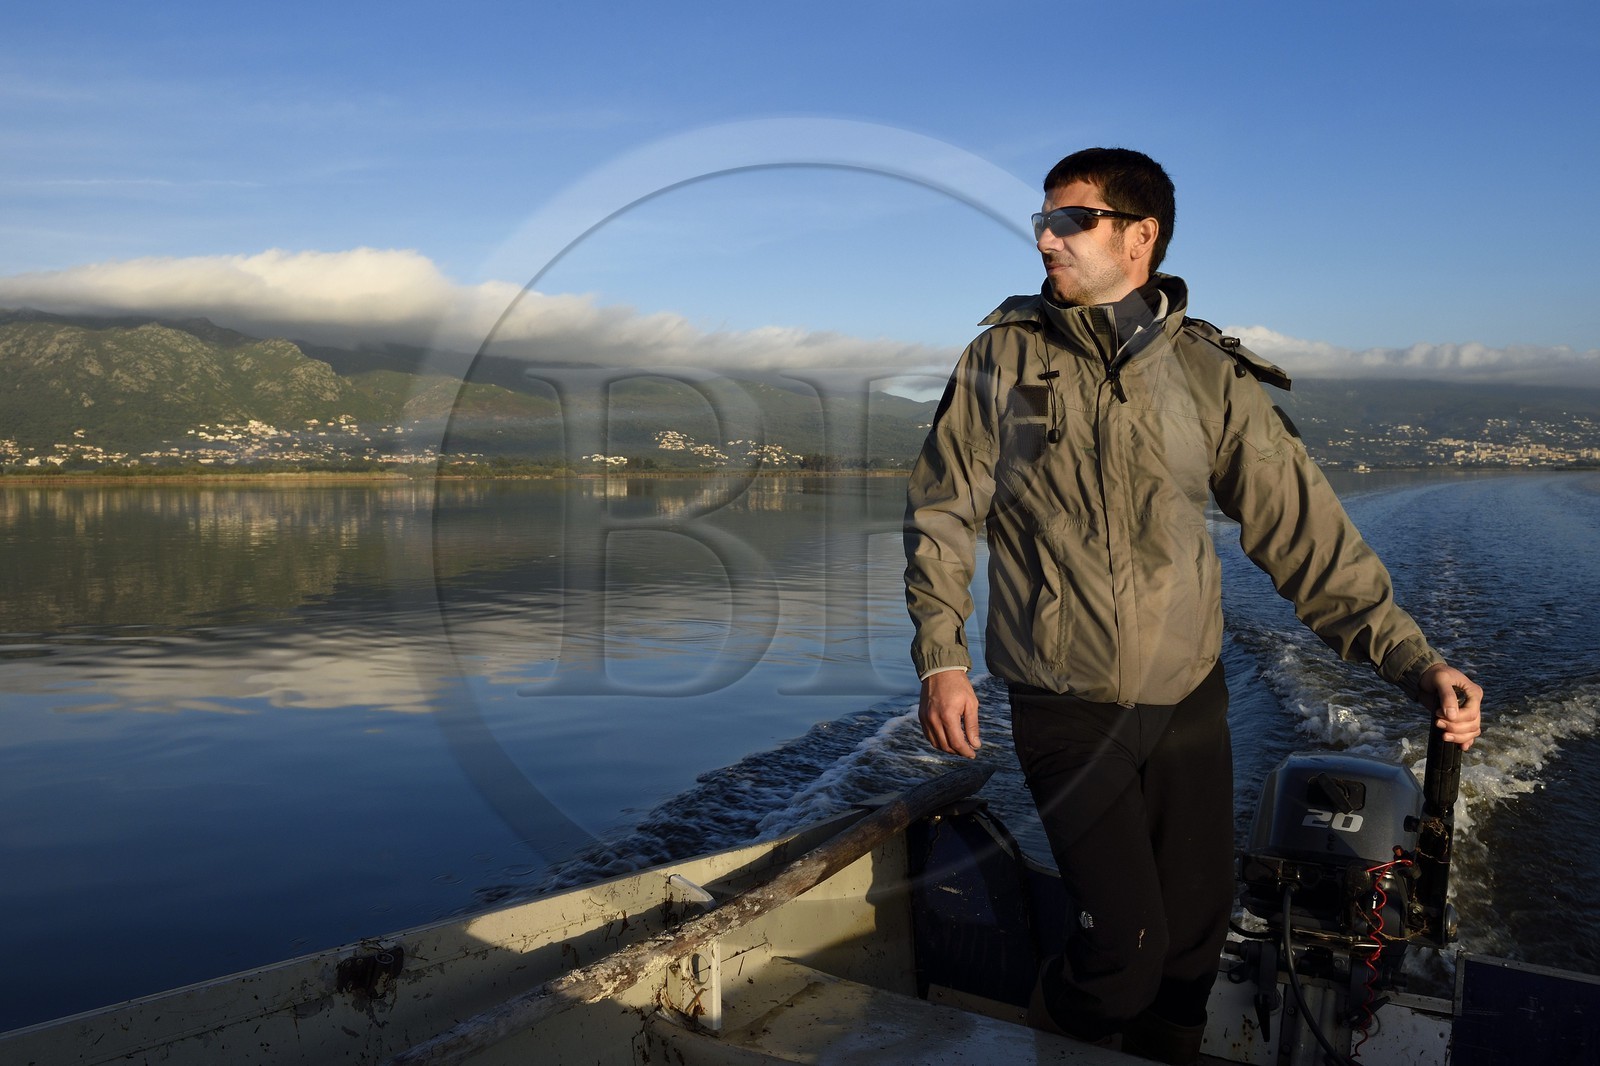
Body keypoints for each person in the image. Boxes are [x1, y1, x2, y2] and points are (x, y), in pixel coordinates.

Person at [902, 147, 1483, 1064]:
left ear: (1141, 236)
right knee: (1120, 959)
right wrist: (942, 656)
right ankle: (1045, 1042)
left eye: (1071, 219)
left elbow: (1305, 535)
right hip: (1065, 702)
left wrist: (1415, 661)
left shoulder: (1211, 375)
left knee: (1190, 951)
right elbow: (942, 513)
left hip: (1187, 702)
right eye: (1042, 219)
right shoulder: (1002, 359)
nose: (1046, 236)